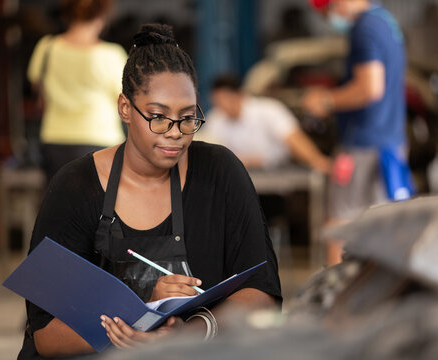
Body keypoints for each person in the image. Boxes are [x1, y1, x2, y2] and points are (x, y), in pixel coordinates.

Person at [18, 24, 282, 359]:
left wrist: (190, 332)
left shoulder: (220, 174)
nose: (176, 133)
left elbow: (263, 292)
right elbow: (48, 336)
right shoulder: (76, 187)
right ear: (125, 108)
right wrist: (141, 307)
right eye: (158, 117)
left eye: (188, 118)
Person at [302, 0, 408, 265]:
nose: (329, 17)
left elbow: (370, 88)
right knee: (385, 224)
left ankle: (333, 300)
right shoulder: (385, 21)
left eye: (326, 10)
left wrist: (325, 101)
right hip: (390, 142)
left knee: (340, 225)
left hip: (361, 144)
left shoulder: (365, 27)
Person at [27, 0, 127, 182]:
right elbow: (124, 103)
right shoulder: (112, 55)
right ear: (101, 18)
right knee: (102, 206)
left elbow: (39, 92)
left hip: (55, 138)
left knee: (61, 206)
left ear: (67, 15)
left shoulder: (47, 47)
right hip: (101, 139)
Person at [201, 74, 330, 173]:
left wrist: (316, 160)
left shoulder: (268, 110)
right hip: (239, 176)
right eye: (217, 101)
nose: (221, 105)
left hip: (279, 173)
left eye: (224, 98)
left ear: (239, 95)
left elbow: (293, 137)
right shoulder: (215, 118)